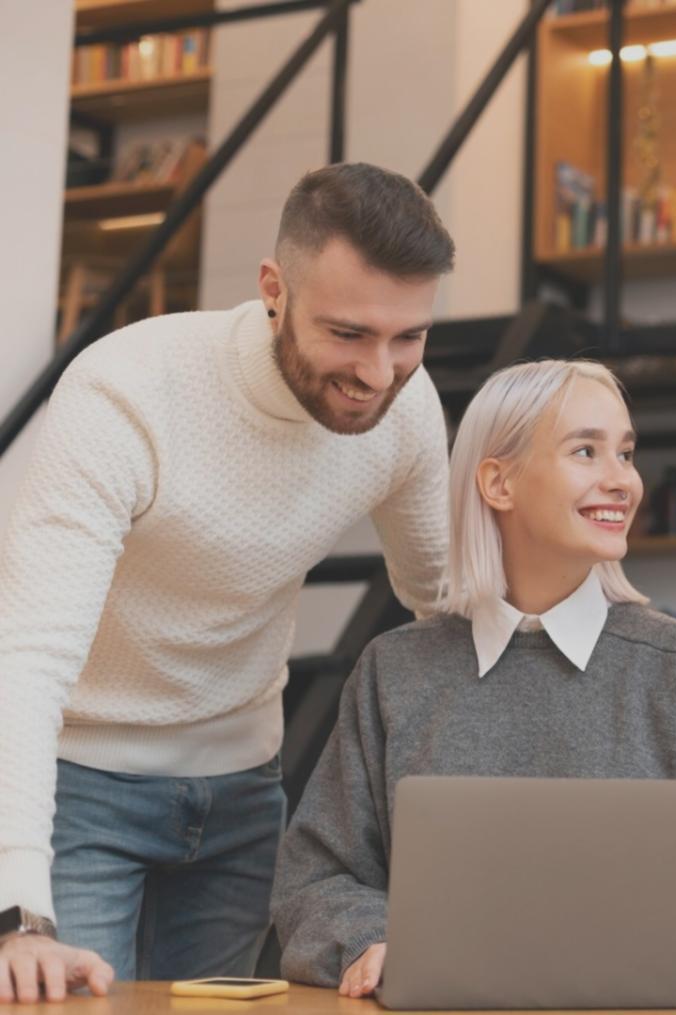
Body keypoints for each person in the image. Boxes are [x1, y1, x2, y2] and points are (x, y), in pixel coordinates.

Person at [0, 163, 456, 1002]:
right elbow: (25, 660)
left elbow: (449, 608)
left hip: (244, 792)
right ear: (274, 289)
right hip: (78, 785)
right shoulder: (127, 391)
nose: (381, 372)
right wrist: (17, 907)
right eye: (349, 333)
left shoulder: (406, 409)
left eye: (409, 337)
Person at [270, 360, 676, 996]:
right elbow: (315, 881)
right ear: (499, 482)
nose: (623, 481)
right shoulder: (394, 672)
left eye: (626, 453)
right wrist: (376, 940)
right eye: (587, 451)